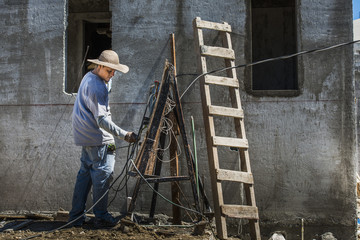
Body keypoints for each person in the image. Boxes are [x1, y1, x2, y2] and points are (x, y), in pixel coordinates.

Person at [68, 50, 137, 228]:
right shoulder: (98, 87)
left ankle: (75, 217)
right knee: (103, 176)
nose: (112, 74)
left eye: (114, 71)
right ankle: (101, 216)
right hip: (100, 140)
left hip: (85, 138)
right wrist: (124, 134)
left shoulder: (88, 77)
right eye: (109, 71)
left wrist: (108, 78)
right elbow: (102, 120)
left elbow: (106, 82)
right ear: (99, 66)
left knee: (84, 176)